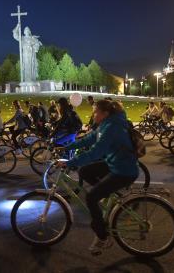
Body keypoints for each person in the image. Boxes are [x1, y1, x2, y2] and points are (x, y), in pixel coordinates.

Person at [58, 100, 139, 255]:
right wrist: (66, 147)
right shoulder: (106, 124)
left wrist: (70, 162)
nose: (93, 114)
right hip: (116, 163)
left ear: (105, 114)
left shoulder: (111, 128)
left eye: (95, 112)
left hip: (123, 171)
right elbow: (89, 139)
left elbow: (95, 153)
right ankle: (107, 195)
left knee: (91, 197)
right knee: (85, 172)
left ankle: (103, 237)